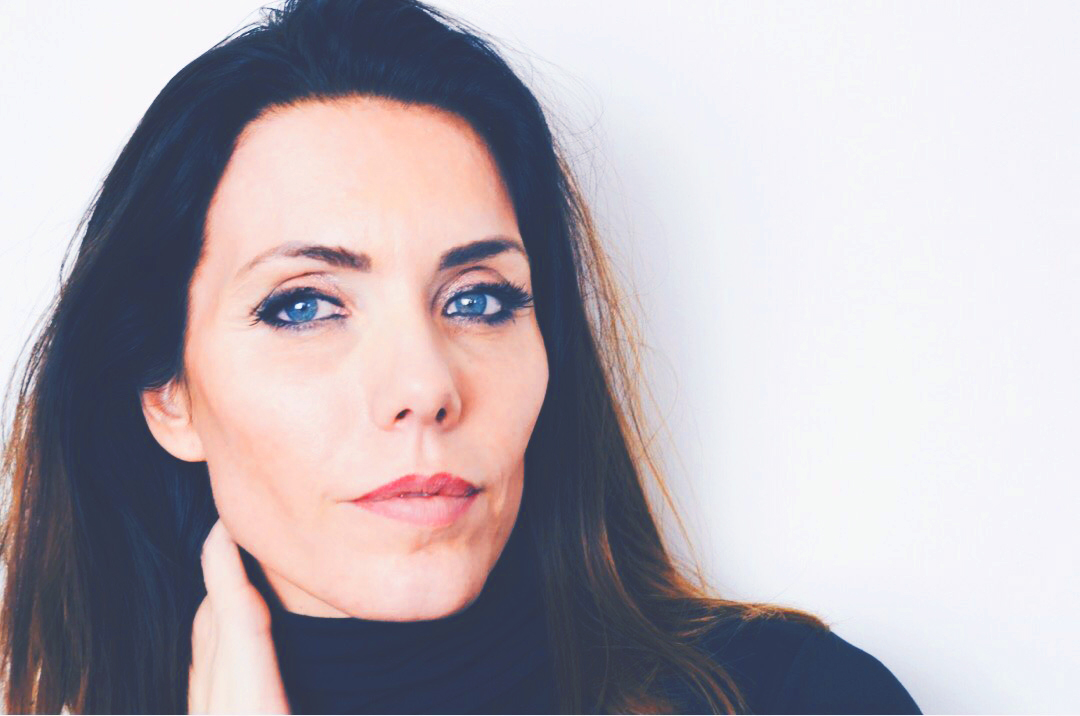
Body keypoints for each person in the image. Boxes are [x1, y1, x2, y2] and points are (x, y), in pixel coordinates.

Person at [0, 0, 922, 713]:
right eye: (306, 306)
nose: (425, 386)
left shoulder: (796, 697)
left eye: (477, 301)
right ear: (170, 395)